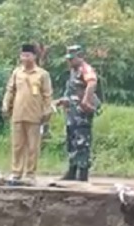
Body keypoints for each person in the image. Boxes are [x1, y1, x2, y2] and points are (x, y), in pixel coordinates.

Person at [2, 44, 53, 185]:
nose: (25, 58)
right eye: (23, 55)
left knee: (33, 146)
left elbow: (47, 94)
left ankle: (30, 173)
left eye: (28, 55)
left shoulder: (42, 74)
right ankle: (16, 172)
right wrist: (6, 104)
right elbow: (10, 90)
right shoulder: (17, 73)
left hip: (35, 115)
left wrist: (47, 110)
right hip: (18, 114)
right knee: (17, 145)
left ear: (34, 57)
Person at [55, 44, 99, 182]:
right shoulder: (73, 71)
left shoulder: (86, 69)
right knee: (72, 140)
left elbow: (92, 83)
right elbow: (73, 92)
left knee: (82, 142)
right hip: (72, 113)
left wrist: (86, 101)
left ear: (80, 57)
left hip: (81, 114)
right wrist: (63, 100)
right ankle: (72, 170)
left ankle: (83, 172)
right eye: (68, 59)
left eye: (72, 58)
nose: (69, 61)